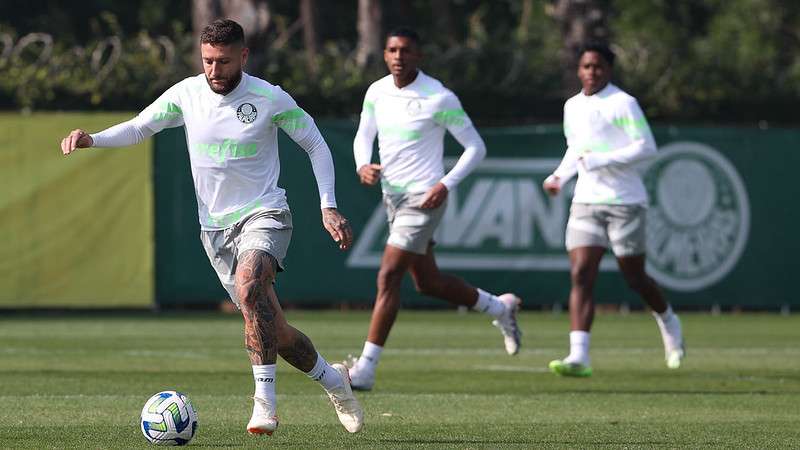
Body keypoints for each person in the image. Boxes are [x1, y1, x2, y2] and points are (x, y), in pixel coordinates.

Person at [59, 19, 363, 435]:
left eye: (222, 61)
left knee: (250, 283)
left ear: (243, 56)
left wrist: (328, 205)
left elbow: (315, 142)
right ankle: (334, 380)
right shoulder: (185, 94)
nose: (214, 70)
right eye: (207, 61)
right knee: (276, 331)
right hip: (215, 230)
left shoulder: (268, 97)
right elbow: (139, 127)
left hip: (264, 213)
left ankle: (265, 406)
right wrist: (92, 138)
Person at [347, 27, 522, 391]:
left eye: (406, 50)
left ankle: (366, 368)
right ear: (384, 54)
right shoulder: (377, 91)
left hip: (424, 198)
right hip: (392, 197)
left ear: (419, 56)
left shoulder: (438, 97)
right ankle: (499, 308)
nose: (399, 56)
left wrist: (445, 184)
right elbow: (364, 134)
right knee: (428, 282)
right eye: (392, 50)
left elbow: (476, 147)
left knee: (388, 275)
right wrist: (363, 163)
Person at [542, 42, 685, 377]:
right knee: (581, 274)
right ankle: (579, 356)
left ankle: (668, 320)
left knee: (634, 276)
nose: (592, 72)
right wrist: (559, 177)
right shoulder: (572, 106)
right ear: (578, 70)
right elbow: (575, 149)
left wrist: (601, 159)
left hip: (625, 201)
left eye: (598, 66)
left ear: (609, 70)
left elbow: (647, 147)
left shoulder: (624, 103)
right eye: (586, 66)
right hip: (586, 201)